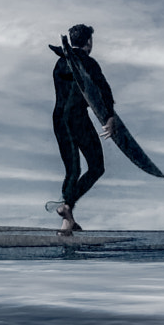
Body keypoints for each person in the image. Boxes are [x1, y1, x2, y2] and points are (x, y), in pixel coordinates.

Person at [50, 24, 117, 236]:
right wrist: (110, 117)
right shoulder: (88, 63)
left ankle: (67, 220)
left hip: (59, 119)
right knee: (96, 167)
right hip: (77, 117)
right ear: (89, 42)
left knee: (73, 170)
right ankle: (67, 206)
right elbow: (103, 90)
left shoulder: (60, 63)